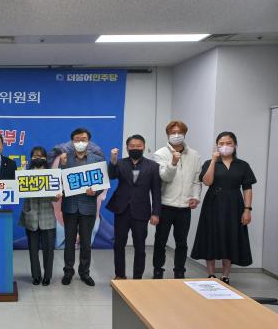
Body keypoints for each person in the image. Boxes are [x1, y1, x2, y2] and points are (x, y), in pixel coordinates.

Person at [191, 132, 256, 284]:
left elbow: (247, 188)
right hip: (213, 203)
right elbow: (207, 182)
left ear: (235, 145)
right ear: (217, 146)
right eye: (221, 143)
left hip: (234, 204)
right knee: (210, 236)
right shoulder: (209, 162)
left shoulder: (243, 165)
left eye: (229, 143)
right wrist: (214, 160)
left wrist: (247, 209)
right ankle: (211, 274)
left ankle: (226, 275)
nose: (225, 146)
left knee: (230, 235)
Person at [152, 120, 202, 279]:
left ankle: (179, 271)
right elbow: (164, 177)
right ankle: (158, 270)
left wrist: (195, 197)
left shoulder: (194, 155)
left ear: (185, 134)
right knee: (160, 241)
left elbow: (197, 180)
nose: (176, 135)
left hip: (184, 207)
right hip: (165, 206)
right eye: (172, 132)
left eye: (179, 132)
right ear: (167, 134)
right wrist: (173, 162)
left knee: (182, 242)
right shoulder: (160, 154)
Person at [107, 135, 161, 280]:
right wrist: (113, 160)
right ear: (127, 148)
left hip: (141, 211)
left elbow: (156, 191)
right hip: (122, 210)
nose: (135, 148)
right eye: (132, 146)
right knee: (119, 245)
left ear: (143, 147)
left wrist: (156, 213)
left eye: (138, 146)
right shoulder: (120, 163)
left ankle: (137, 278)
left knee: (140, 247)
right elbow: (111, 176)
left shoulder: (153, 166)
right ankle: (120, 275)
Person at [58, 127, 104, 286]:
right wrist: (62, 165)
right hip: (69, 206)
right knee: (69, 241)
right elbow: (59, 181)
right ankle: (68, 271)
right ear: (72, 142)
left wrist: (96, 191)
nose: (80, 142)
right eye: (77, 140)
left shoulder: (97, 160)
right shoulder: (65, 158)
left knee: (86, 243)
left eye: (83, 139)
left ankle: (85, 273)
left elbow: (102, 182)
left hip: (88, 206)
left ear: (88, 141)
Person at [18, 147, 61, 286]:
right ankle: (36, 276)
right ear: (31, 158)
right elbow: (19, 192)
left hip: (47, 217)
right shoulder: (24, 173)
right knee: (33, 250)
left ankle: (47, 276)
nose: (38, 158)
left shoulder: (52, 174)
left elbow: (55, 197)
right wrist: (21, 172)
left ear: (45, 158)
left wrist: (57, 196)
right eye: (35, 156)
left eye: (41, 156)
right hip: (31, 216)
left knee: (49, 250)